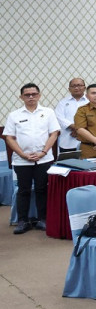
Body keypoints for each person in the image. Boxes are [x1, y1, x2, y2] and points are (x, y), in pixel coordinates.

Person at [4, 84, 59, 233]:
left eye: (34, 94)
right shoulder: (14, 115)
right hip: (22, 160)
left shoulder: (48, 112)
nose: (31, 97)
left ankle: (43, 219)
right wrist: (23, 154)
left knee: (42, 189)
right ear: (21, 97)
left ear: (39, 95)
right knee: (23, 190)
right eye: (27, 95)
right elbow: (9, 137)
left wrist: (43, 152)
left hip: (44, 158)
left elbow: (54, 134)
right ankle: (23, 221)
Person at [54, 77, 88, 154]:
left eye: (79, 85)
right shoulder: (62, 103)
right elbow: (58, 117)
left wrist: (79, 130)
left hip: (87, 141)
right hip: (67, 141)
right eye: (73, 86)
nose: (76, 88)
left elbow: (94, 119)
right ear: (69, 89)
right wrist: (76, 128)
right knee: (67, 164)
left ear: (84, 88)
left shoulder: (90, 102)